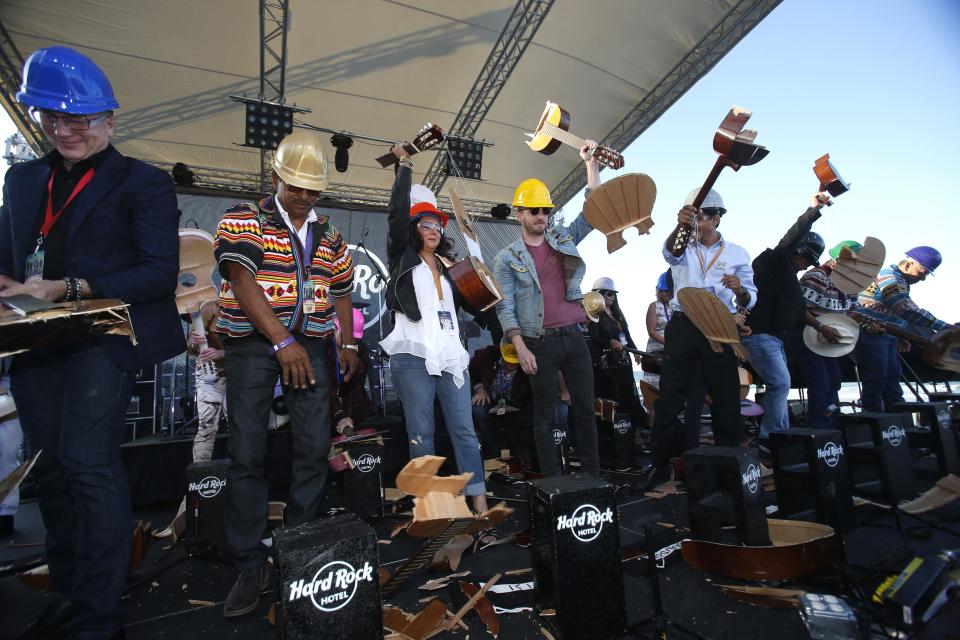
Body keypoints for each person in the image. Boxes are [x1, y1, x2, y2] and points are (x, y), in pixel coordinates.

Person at [0, 46, 184, 639]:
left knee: (87, 463)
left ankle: (101, 617)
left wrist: (71, 286)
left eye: (77, 120)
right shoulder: (23, 178)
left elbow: (157, 273)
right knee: (51, 472)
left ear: (109, 119)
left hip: (104, 339)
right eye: (52, 119)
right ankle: (72, 592)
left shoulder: (145, 183)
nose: (63, 130)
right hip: (36, 341)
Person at [214, 130, 358, 618]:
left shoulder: (331, 235)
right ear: (275, 176)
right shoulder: (245, 218)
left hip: (313, 343)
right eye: (295, 186)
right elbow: (240, 278)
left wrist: (348, 340)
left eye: (312, 189)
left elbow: (341, 288)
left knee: (315, 446)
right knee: (248, 451)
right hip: (255, 344)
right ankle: (250, 562)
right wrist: (281, 340)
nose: (303, 197)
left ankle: (299, 545)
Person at [380, 143, 489, 516]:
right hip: (412, 355)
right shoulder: (403, 258)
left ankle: (479, 500)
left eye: (437, 224)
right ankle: (426, 505)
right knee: (421, 433)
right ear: (413, 228)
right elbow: (395, 215)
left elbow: (479, 302)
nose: (432, 228)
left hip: (452, 358)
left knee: (464, 430)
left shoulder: (450, 266)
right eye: (424, 224)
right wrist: (404, 167)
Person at [492, 142, 602, 477]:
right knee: (545, 414)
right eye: (535, 210)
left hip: (574, 335)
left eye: (546, 211)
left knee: (585, 410)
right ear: (520, 214)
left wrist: (590, 163)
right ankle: (554, 484)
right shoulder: (506, 258)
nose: (542, 216)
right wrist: (520, 347)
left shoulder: (562, 238)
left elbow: (594, 209)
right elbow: (505, 307)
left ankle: (593, 480)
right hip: (540, 342)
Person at [640, 188, 757, 489]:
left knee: (726, 398)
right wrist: (681, 225)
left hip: (718, 325)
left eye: (702, 217)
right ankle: (660, 464)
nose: (696, 223)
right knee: (670, 397)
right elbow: (668, 252)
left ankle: (730, 466)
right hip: (684, 325)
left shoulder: (737, 253)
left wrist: (739, 291)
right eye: (692, 217)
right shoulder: (683, 245)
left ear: (717, 218)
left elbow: (750, 296)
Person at [741, 194, 829, 443]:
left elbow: (799, 310)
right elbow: (788, 241)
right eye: (807, 260)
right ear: (798, 252)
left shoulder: (789, 279)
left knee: (780, 384)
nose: (806, 266)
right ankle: (774, 437)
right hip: (760, 335)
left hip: (775, 338)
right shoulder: (775, 262)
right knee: (780, 383)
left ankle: (777, 434)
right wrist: (814, 210)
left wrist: (821, 326)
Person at [849, 246, 952, 412]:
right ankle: (874, 420)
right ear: (908, 265)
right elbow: (904, 308)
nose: (923, 278)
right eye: (923, 272)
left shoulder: (901, 280)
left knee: (892, 380)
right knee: (876, 379)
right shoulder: (889, 276)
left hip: (886, 335)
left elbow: (897, 311)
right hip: (871, 333)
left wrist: (900, 335)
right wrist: (945, 327)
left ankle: (898, 421)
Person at [790, 240, 863, 427]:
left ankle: (832, 423)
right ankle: (821, 427)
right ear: (836, 262)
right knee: (820, 381)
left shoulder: (850, 284)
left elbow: (851, 311)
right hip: (807, 334)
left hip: (828, 338)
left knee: (834, 380)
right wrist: (822, 327)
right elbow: (799, 310)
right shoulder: (817, 276)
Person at [588, 276, 649, 463]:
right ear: (598, 295)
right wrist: (610, 342)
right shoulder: (594, 315)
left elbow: (626, 335)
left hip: (624, 364)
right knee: (612, 401)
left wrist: (636, 351)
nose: (611, 297)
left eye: (613, 294)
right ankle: (614, 442)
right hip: (607, 366)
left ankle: (633, 438)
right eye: (608, 294)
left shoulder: (618, 314)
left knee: (629, 398)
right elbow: (594, 338)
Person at [470, 340, 533, 465]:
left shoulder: (527, 362)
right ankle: (492, 453)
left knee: (525, 416)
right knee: (478, 410)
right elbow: (472, 371)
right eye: (508, 361)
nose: (511, 364)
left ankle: (521, 455)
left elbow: (529, 393)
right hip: (490, 397)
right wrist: (480, 388)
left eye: (515, 362)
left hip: (517, 402)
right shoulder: (487, 356)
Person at [187, 300, 227, 462]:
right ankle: (201, 476)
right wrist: (195, 343)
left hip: (238, 369)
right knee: (207, 427)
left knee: (242, 425)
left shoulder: (247, 302)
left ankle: (244, 477)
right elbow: (190, 347)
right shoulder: (208, 306)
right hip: (210, 372)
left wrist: (222, 353)